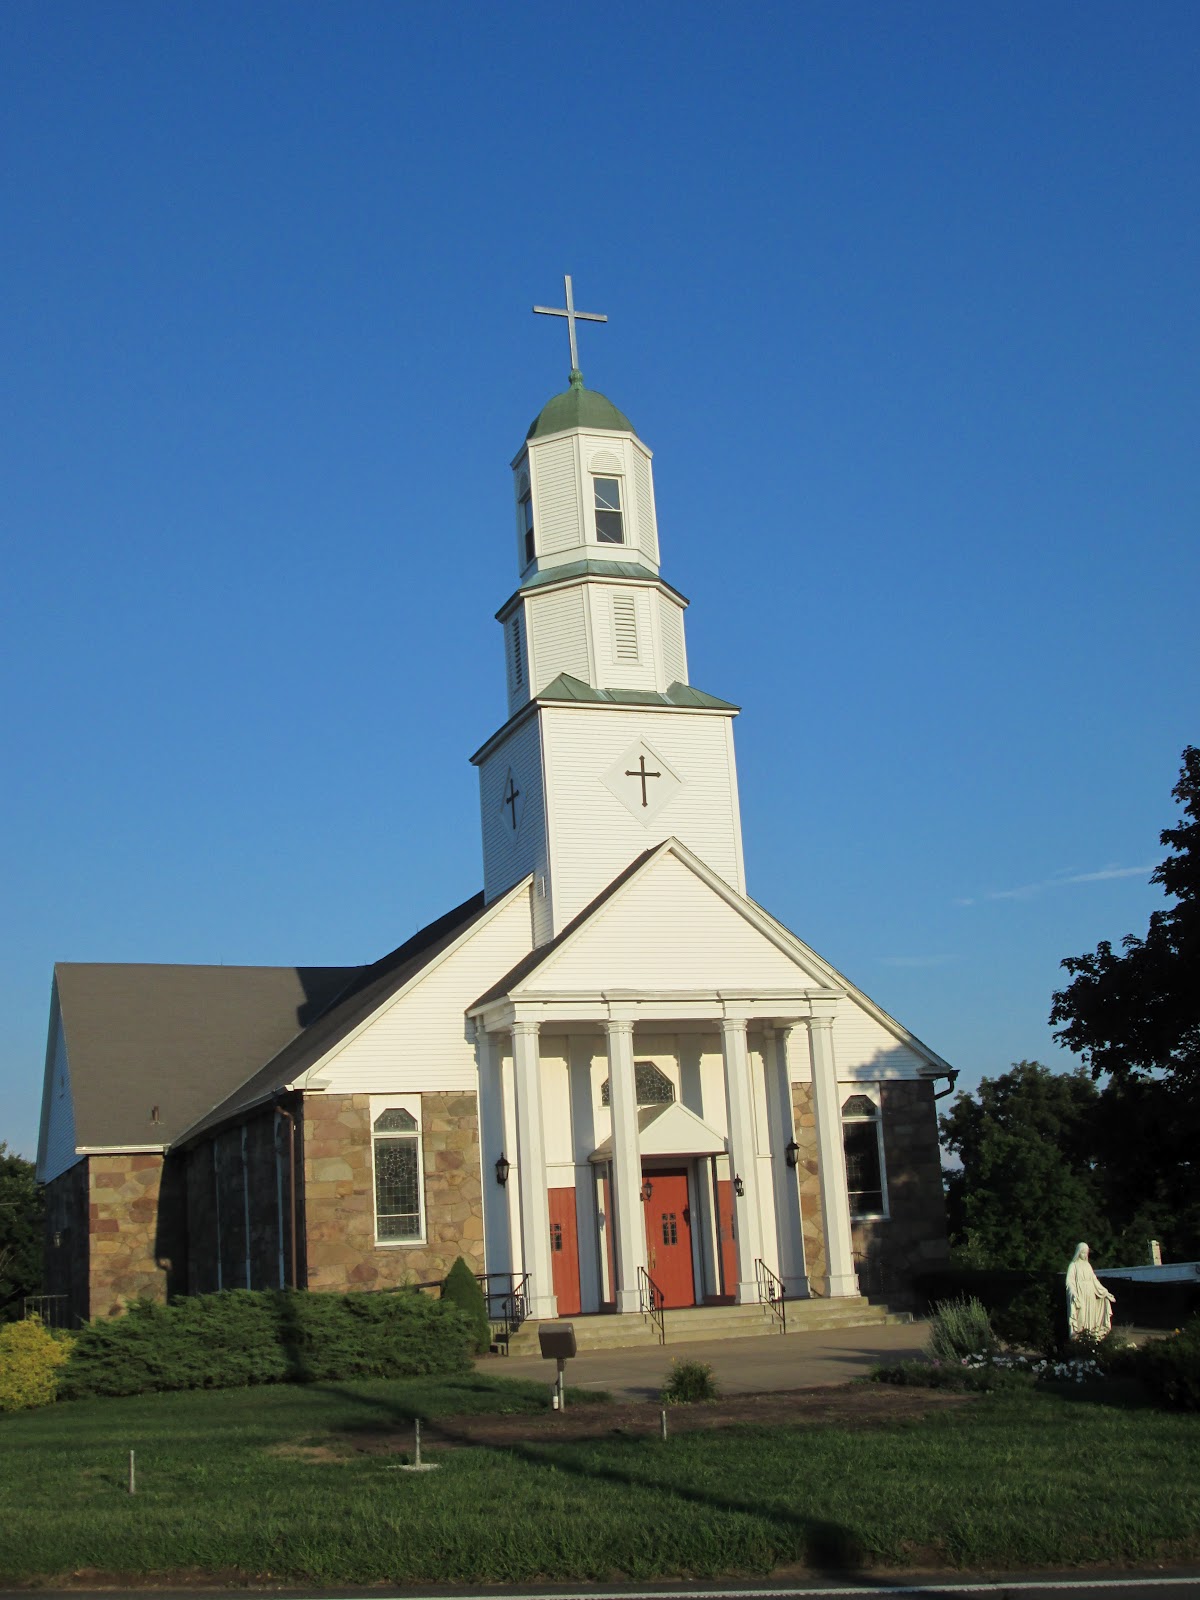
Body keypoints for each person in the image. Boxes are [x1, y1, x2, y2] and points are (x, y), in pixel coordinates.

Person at [1065, 1242, 1115, 1339]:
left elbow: (1094, 1281)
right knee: (1081, 1316)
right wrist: (1073, 1293)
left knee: (1091, 1317)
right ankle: (1079, 1338)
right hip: (1080, 1294)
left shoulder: (1088, 1265)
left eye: (1086, 1253)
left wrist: (1105, 1292)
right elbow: (1069, 1282)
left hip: (1090, 1294)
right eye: (1083, 1252)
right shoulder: (1073, 1265)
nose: (1085, 1255)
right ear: (1078, 1252)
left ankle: (1090, 1338)